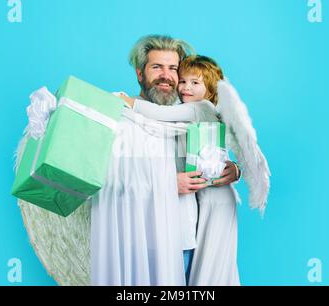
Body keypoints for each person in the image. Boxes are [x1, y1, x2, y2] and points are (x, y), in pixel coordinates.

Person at [90, 35, 241, 285]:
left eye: (173, 68)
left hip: (186, 238)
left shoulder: (187, 115)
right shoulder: (122, 117)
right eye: (156, 67)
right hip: (143, 240)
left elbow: (212, 153)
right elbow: (106, 176)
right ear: (140, 73)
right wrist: (167, 183)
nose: (166, 75)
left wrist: (233, 169)